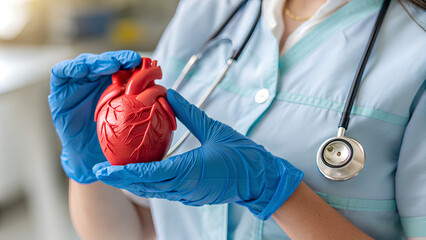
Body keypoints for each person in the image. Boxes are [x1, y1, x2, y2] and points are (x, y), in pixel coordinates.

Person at [48, 0, 426, 239]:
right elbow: (137, 230)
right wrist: (91, 164)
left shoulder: (415, 48)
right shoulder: (208, 11)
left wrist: (279, 193)